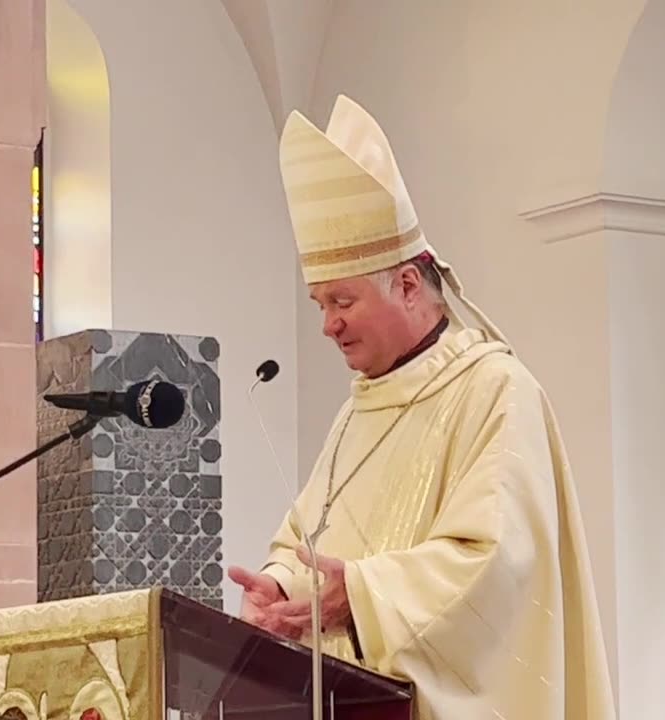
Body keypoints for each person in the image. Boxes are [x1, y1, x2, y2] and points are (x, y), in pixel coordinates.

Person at [225, 94, 617, 719]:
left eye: (341, 302)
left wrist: (358, 594)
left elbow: (495, 564)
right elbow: (310, 543)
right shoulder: (359, 411)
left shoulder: (494, 389)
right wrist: (280, 585)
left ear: (407, 284)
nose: (327, 325)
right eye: (319, 304)